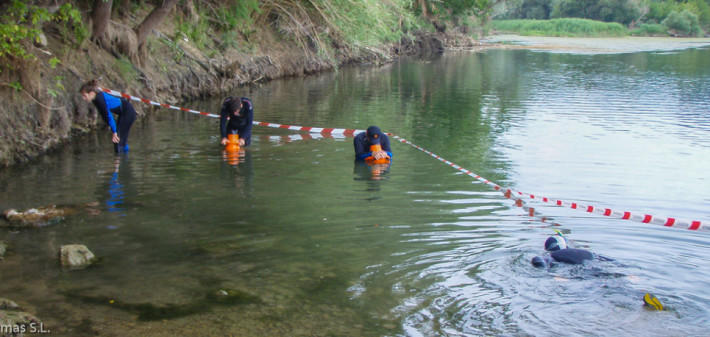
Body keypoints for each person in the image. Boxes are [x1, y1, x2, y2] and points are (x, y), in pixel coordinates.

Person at [80, 80, 137, 153]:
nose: (83, 98)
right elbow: (106, 116)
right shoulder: (96, 97)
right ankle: (124, 158)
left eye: (84, 96)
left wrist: (114, 131)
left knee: (118, 141)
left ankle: (121, 160)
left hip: (128, 113)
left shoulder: (99, 99)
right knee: (121, 142)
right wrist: (114, 130)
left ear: (91, 93)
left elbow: (108, 116)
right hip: (124, 113)